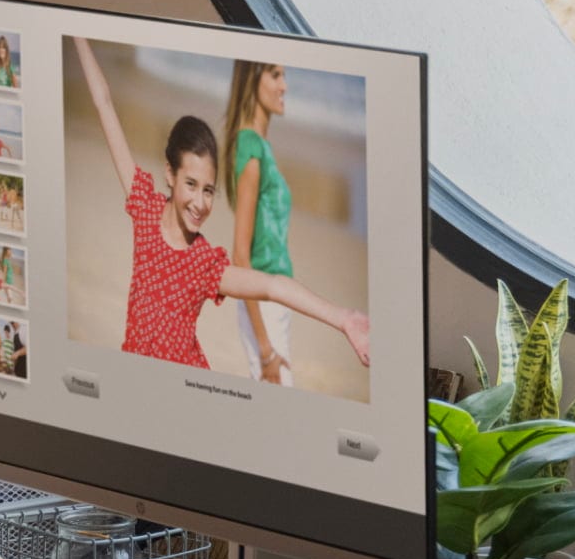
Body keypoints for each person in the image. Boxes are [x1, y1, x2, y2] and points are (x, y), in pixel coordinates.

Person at [75, 37, 368, 375]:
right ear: (170, 174)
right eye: (191, 185)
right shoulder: (144, 209)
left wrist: (343, 319)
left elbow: (273, 287)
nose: (200, 203)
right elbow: (104, 103)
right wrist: (75, 32)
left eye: (209, 190)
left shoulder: (204, 264)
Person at [222, 59, 302, 385]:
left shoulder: (260, 147)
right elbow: (240, 256)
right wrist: (265, 349)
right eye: (275, 74)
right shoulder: (251, 148)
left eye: (285, 74)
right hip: (263, 305)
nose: (284, 85)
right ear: (252, 79)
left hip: (276, 302)